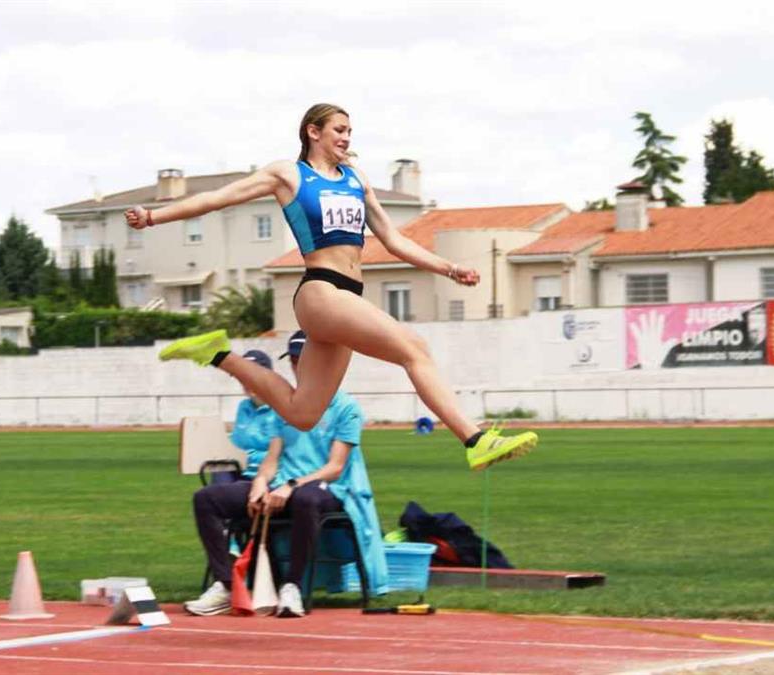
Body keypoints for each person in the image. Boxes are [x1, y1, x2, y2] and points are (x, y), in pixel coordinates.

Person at [129, 103, 536, 471]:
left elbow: (393, 240)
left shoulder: (356, 179)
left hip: (345, 296)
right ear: (313, 132)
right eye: (339, 130)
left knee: (303, 413)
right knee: (416, 349)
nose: (346, 138)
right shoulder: (288, 174)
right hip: (320, 291)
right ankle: (475, 438)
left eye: (349, 132)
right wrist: (153, 216)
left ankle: (216, 353)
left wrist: (448, 268)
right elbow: (218, 199)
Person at [185, 331, 388, 617]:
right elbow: (272, 457)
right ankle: (226, 584)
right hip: (283, 486)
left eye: (300, 360)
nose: (295, 367)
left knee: (306, 499)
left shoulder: (346, 408)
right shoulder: (286, 404)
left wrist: (291, 485)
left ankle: (291, 587)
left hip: (329, 491)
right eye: (292, 360)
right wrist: (259, 482)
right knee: (207, 498)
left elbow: (334, 468)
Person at [220, 349, 280, 482]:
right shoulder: (243, 407)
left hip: (271, 478)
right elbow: (236, 443)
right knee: (219, 470)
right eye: (242, 377)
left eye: (252, 376)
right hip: (242, 471)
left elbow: (281, 454)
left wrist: (244, 456)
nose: (247, 382)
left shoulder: (282, 408)